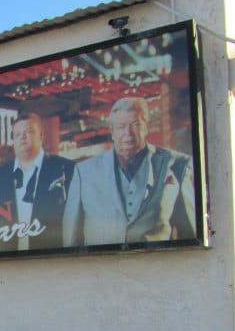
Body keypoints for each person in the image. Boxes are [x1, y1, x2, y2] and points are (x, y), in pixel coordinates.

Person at [63, 97, 196, 247]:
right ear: (112, 131)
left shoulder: (178, 165)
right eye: (121, 126)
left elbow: (191, 236)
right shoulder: (84, 172)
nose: (128, 133)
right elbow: (71, 241)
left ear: (148, 126)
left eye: (136, 124)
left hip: (157, 267)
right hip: (101, 268)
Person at [0, 112, 75, 251]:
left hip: (55, 259)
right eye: (17, 134)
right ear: (13, 141)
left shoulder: (67, 169)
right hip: (8, 263)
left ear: (41, 136)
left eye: (29, 131)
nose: (22, 137)